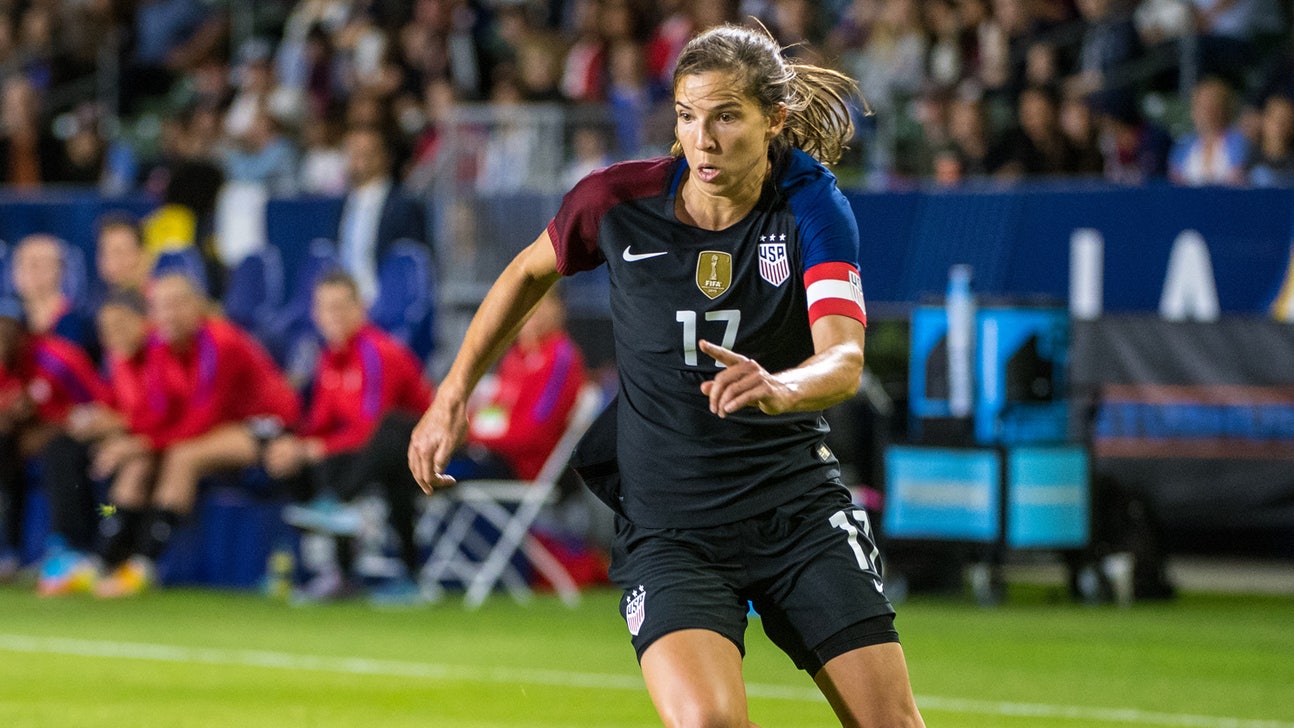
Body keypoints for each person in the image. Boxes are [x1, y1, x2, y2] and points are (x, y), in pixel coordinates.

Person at [409, 24, 925, 728]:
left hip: (796, 513)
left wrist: (783, 387)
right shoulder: (617, 203)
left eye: (726, 116)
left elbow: (843, 358)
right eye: (687, 116)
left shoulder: (812, 207)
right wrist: (453, 392)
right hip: (671, 529)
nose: (702, 139)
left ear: (773, 119)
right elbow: (526, 272)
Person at [91, 272, 299, 597]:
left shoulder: (220, 343)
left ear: (196, 306)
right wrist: (131, 442)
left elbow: (202, 418)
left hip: (266, 425)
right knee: (139, 462)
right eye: (160, 307)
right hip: (217, 428)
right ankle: (104, 560)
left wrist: (142, 442)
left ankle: (144, 565)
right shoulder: (159, 347)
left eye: (177, 304)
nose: (169, 314)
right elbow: (158, 412)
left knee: (183, 457)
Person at [265, 271, 432, 603]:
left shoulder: (376, 352)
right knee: (304, 457)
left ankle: (340, 509)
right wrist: (293, 446)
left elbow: (371, 429)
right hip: (373, 460)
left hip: (426, 459)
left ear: (361, 309)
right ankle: (339, 573)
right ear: (315, 314)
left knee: (391, 432)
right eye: (327, 309)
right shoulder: (328, 358)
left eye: (342, 307)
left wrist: (316, 448)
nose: (334, 317)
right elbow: (321, 424)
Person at [0, 297, 110, 580]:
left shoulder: (57, 358)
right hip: (39, 435)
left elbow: (100, 406)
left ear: (24, 332)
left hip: (89, 433)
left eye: (7, 328)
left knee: (58, 450)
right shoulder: (8, 365)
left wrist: (54, 425)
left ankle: (69, 547)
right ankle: (9, 551)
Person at [336, 124, 428, 304]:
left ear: (385, 157)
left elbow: (413, 268)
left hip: (384, 305)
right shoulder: (343, 204)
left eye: (365, 153)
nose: (357, 159)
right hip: (346, 306)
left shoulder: (403, 205)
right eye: (352, 152)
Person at [9, 234, 97, 358]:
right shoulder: (10, 322)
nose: (27, 269)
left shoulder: (76, 324)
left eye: (37, 263)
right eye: (21, 262)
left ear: (60, 269)